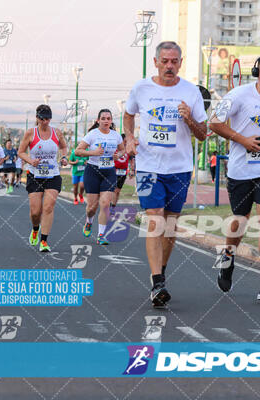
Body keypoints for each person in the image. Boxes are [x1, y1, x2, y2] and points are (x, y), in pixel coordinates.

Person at [124, 41, 208, 307]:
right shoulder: (141, 88)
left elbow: (203, 134)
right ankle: (158, 281)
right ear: (156, 62)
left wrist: (189, 119)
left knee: (170, 228)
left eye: (174, 61)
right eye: (165, 61)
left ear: (180, 63)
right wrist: (128, 137)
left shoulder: (191, 91)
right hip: (149, 167)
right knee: (155, 220)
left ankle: (160, 270)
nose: (169, 66)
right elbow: (128, 115)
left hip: (179, 169)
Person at [209, 52, 260, 301]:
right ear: (257, 72)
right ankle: (228, 254)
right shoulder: (237, 95)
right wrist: (243, 140)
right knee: (241, 220)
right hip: (240, 169)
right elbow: (214, 122)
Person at [18, 104, 69, 252]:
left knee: (48, 207)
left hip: (52, 175)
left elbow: (64, 147)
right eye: (43, 119)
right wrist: (30, 161)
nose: (45, 121)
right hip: (35, 175)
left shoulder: (57, 133)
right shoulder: (30, 133)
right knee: (35, 212)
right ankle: (35, 229)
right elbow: (21, 152)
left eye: (48, 119)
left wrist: (64, 157)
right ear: (37, 118)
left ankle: (44, 241)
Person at [75, 109, 125, 245]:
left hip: (109, 171)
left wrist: (118, 155)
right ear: (98, 121)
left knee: (105, 204)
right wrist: (94, 152)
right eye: (103, 118)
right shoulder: (92, 134)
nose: (106, 121)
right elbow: (77, 151)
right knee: (92, 207)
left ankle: (101, 235)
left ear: (111, 121)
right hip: (93, 171)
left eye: (108, 118)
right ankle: (89, 221)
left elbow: (122, 150)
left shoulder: (116, 135)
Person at [112, 134, 133, 210]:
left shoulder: (128, 149)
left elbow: (131, 160)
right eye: (125, 140)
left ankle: (113, 206)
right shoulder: (115, 148)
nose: (126, 141)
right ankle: (110, 206)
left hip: (123, 172)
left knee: (118, 191)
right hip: (114, 171)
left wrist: (131, 170)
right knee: (114, 190)